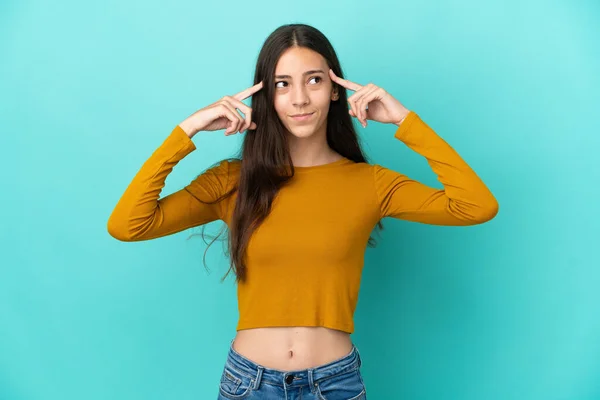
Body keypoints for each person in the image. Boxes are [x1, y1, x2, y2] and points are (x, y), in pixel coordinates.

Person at [107, 23, 498, 400]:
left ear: (334, 89)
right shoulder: (233, 181)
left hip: (334, 384)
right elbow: (129, 225)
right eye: (282, 84)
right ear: (268, 96)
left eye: (313, 80)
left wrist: (404, 121)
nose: (299, 99)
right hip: (248, 384)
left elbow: (476, 206)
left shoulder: (370, 183)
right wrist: (187, 129)